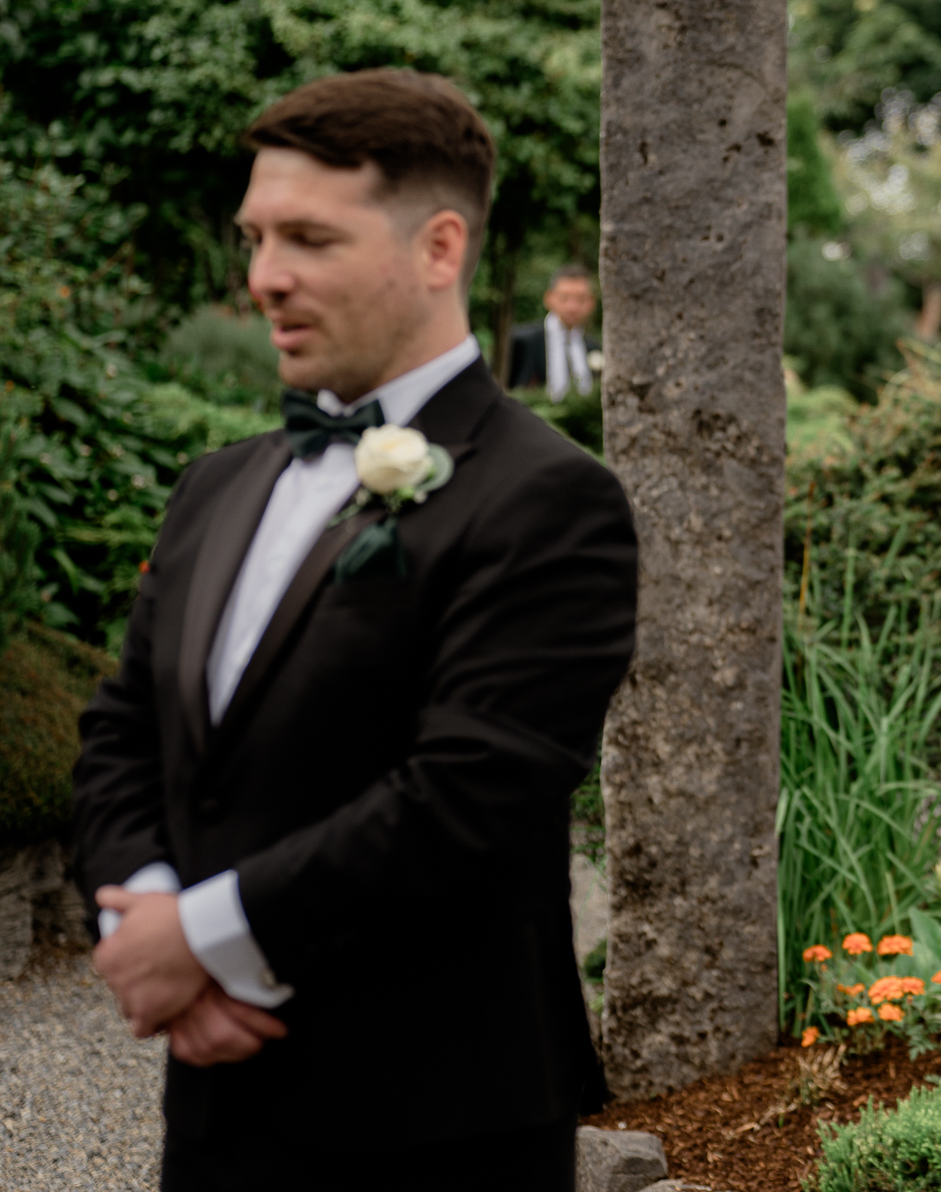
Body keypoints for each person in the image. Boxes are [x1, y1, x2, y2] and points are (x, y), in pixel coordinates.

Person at [70, 68, 639, 1191]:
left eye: (309, 240)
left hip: (433, 1119)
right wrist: (141, 900)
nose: (265, 276)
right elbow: (123, 727)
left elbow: (469, 791)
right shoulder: (215, 486)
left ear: (438, 248)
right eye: (255, 236)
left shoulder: (551, 497)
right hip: (216, 1103)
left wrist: (197, 939)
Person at [509, 265, 601, 400]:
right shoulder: (522, 341)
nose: (572, 307)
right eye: (564, 298)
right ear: (549, 298)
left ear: (591, 303)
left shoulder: (594, 348)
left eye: (581, 299)